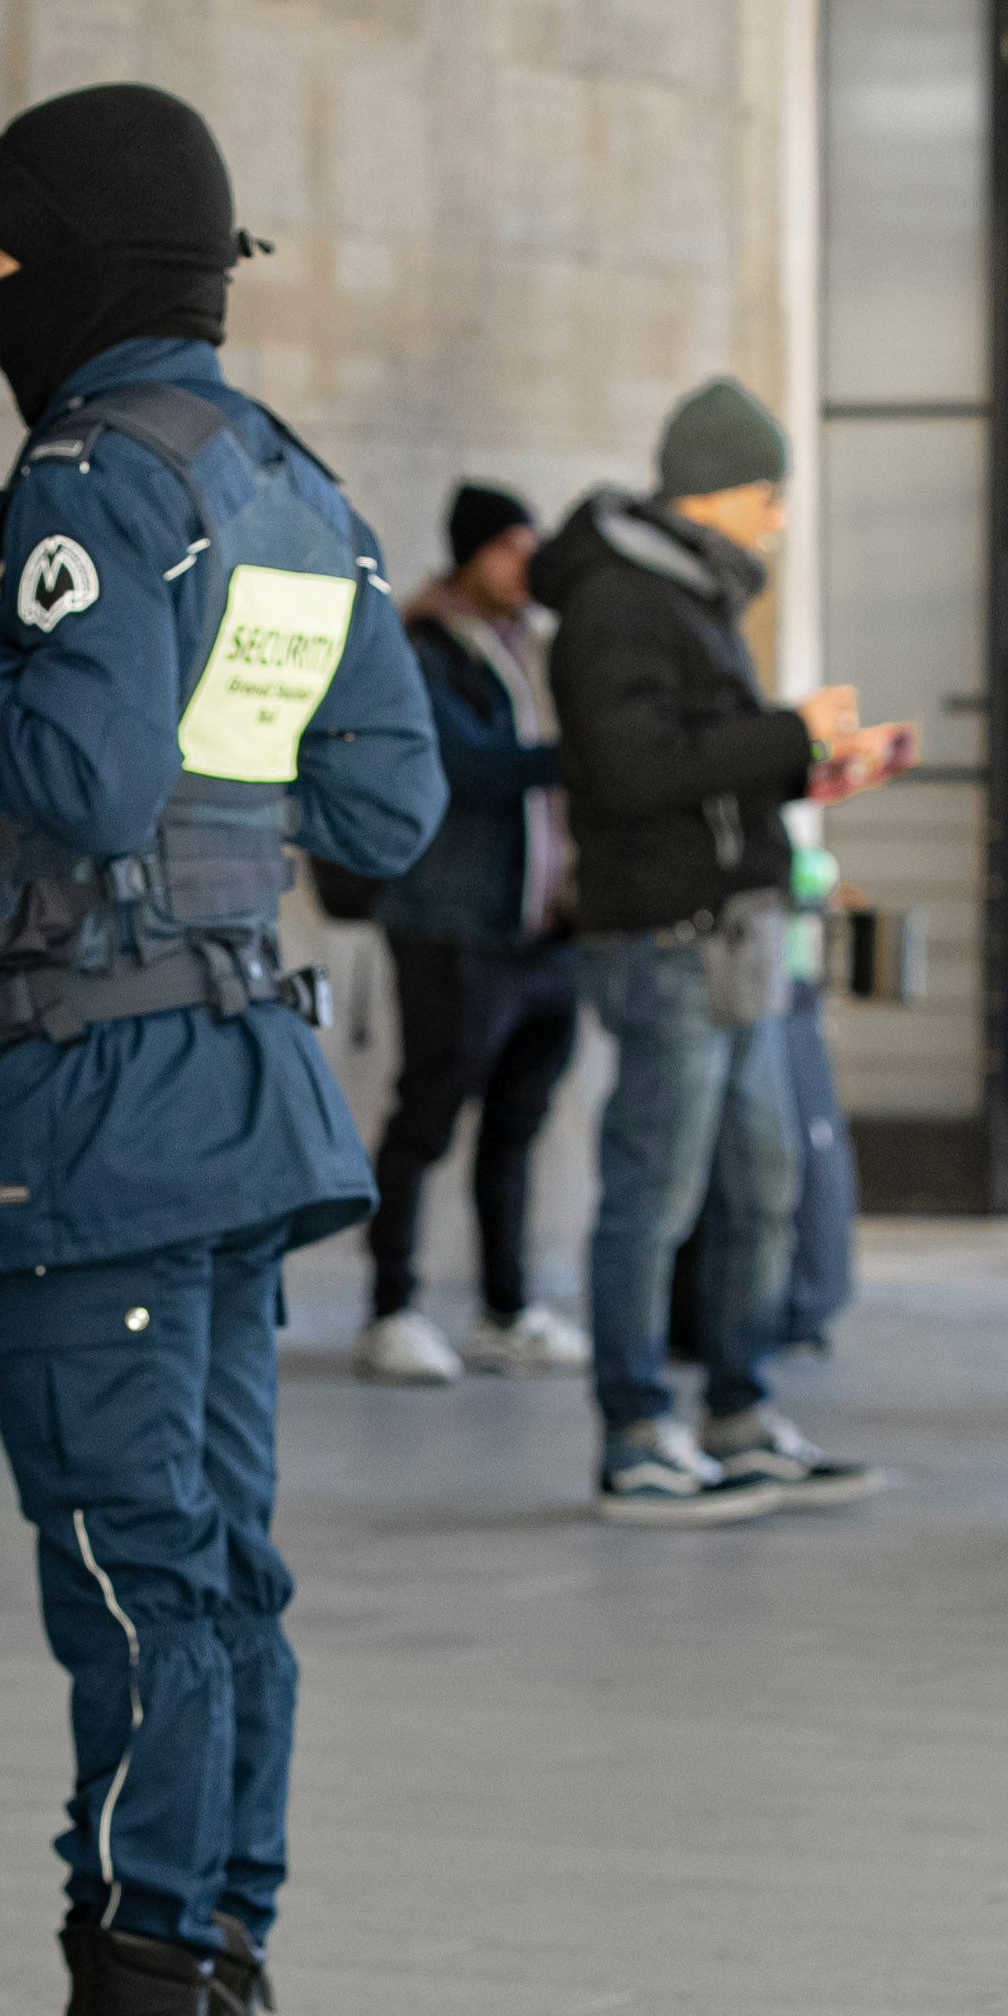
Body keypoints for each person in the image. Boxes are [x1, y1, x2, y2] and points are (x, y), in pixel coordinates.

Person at [0, 84, 438, 2016]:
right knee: (218, 1585)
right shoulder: (294, 490)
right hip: (241, 1087)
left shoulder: (89, 483)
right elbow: (386, 810)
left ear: (76, 273)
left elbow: (82, 774)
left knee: (133, 1589)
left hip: (89, 1110)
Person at [535, 381, 900, 1528]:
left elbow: (696, 765)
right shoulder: (618, 602)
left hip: (736, 938)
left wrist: (809, 766)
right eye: (767, 494)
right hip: (665, 942)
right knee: (655, 1191)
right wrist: (789, 731)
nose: (778, 518)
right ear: (711, 489)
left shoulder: (689, 592)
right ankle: (634, 1432)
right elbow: (634, 768)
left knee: (762, 1182)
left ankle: (739, 1417)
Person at [354, 483, 592, 1389]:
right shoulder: (422, 648)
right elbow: (470, 769)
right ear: (472, 556)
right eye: (513, 550)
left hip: (545, 933)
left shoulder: (536, 648)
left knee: (517, 1128)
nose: (529, 569)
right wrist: (596, 752)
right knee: (425, 1120)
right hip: (450, 926)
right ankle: (392, 1309)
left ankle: (506, 1308)